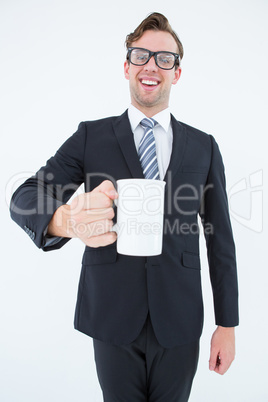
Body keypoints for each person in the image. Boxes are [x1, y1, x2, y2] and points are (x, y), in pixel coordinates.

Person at [10, 12, 239, 402]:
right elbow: (26, 194)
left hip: (180, 319)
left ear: (177, 74)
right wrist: (66, 220)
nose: (151, 66)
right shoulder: (90, 137)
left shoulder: (204, 146)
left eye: (164, 58)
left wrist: (227, 325)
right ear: (126, 66)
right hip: (112, 315)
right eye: (141, 55)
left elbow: (221, 242)